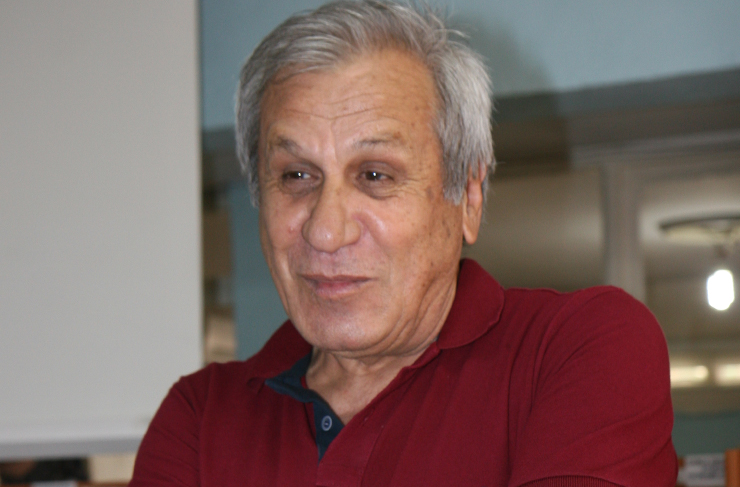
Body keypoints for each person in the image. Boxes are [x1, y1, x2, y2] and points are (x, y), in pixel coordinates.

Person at [129, 1, 677, 486]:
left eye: (375, 175)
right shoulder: (199, 418)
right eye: (296, 176)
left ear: (468, 197)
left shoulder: (578, 349)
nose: (325, 230)